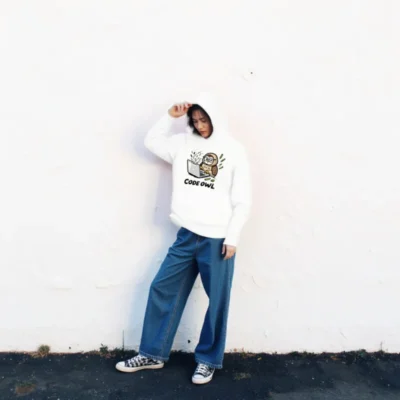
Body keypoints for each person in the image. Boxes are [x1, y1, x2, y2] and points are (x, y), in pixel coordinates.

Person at [116, 92, 252, 384]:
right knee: (162, 288)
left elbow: (242, 199)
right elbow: (152, 142)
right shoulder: (182, 144)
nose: (200, 125)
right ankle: (152, 353)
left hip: (217, 239)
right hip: (187, 234)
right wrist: (170, 116)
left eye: (204, 120)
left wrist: (233, 236)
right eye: (195, 120)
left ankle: (207, 361)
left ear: (215, 118)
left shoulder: (233, 149)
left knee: (217, 301)